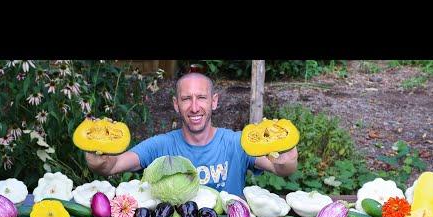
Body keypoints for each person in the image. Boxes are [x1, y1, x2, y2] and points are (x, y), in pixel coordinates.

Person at [84, 72, 298, 197]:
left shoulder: (237, 143)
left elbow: (281, 169)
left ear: (214, 101)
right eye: (186, 99)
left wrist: (287, 158)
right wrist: (97, 158)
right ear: (176, 105)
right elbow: (111, 166)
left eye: (201, 98)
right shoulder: (160, 146)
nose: (194, 107)